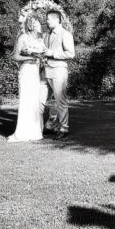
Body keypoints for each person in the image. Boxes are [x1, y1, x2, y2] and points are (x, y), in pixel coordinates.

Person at [7, 14, 45, 142]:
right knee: (25, 101)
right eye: (37, 24)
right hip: (26, 71)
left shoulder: (40, 39)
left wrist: (41, 57)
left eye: (39, 23)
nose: (39, 26)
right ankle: (22, 132)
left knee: (34, 101)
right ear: (31, 26)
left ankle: (34, 132)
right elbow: (16, 56)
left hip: (35, 72)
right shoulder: (23, 37)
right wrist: (30, 57)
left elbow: (44, 53)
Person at [40, 9, 75, 139]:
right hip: (45, 71)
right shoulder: (46, 35)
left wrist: (53, 54)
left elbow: (71, 54)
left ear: (56, 20)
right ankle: (49, 125)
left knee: (60, 100)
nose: (46, 21)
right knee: (44, 100)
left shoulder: (65, 34)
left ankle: (64, 128)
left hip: (59, 70)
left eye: (48, 19)